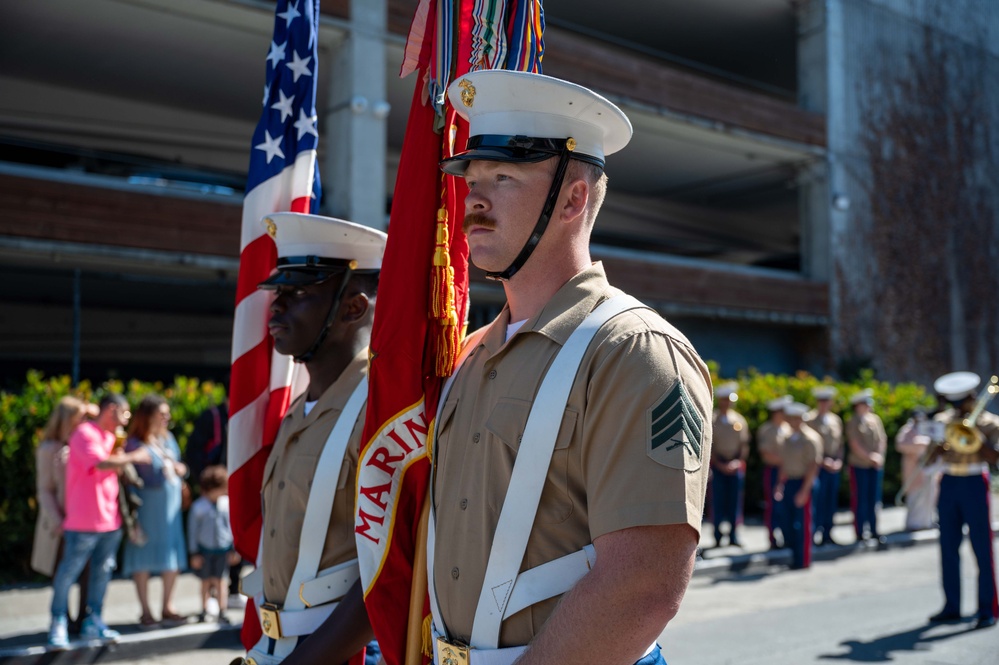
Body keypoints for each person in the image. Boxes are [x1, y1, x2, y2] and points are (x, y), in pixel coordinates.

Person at [428, 70, 713, 665]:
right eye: (472, 179)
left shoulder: (635, 351)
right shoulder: (475, 353)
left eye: (503, 177)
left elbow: (644, 588)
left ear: (574, 198)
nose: (474, 200)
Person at [234, 212, 385, 665]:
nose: (276, 307)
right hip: (274, 648)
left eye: (298, 293)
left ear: (353, 308)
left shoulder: (379, 413)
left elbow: (387, 572)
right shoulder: (297, 410)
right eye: (277, 292)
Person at [47, 394, 142, 648]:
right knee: (68, 573)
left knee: (102, 573)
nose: (127, 419)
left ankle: (93, 621)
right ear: (111, 410)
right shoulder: (83, 434)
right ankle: (58, 622)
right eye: (124, 412)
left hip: (110, 521)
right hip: (82, 521)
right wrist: (134, 456)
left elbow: (114, 469)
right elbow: (100, 463)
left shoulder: (111, 437)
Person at [926, 372, 999, 630]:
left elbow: (995, 458)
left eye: (962, 403)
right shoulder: (941, 422)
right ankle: (952, 606)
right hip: (948, 483)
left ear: (972, 398)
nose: (958, 409)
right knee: (948, 546)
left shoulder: (989, 422)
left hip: (974, 482)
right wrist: (937, 447)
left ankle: (987, 608)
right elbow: (927, 460)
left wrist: (975, 437)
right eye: (953, 404)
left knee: (982, 547)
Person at [120, 394, 188, 628]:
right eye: (162, 414)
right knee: (143, 558)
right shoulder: (135, 444)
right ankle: (146, 610)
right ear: (148, 416)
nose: (167, 418)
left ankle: (168, 606)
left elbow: (177, 465)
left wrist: (181, 469)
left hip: (170, 511)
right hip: (147, 508)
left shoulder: (168, 439)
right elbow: (134, 478)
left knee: (172, 556)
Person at [33, 396, 96, 634]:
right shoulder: (49, 449)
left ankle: (84, 618)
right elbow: (45, 490)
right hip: (61, 523)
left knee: (87, 573)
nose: (84, 422)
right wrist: (59, 520)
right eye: (80, 417)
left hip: (85, 520)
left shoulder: (81, 444)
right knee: (64, 573)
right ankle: (62, 619)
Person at [774, 402, 823, 570]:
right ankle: (794, 556)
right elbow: (784, 464)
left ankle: (803, 560)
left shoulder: (810, 438)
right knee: (788, 522)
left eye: (797, 419)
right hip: (790, 481)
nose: (794, 422)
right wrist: (780, 485)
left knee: (803, 523)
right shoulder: (787, 438)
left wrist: (804, 491)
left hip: (804, 482)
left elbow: (813, 467)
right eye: (791, 419)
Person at [188, 465, 239, 624]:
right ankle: (204, 609)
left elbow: (232, 527)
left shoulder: (226, 504)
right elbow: (192, 531)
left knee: (221, 580)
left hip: (223, 549)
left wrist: (234, 548)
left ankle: (222, 610)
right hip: (205, 550)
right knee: (205, 580)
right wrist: (194, 552)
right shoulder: (199, 507)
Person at [710, 382, 750, 547]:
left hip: (734, 466)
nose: (727, 403)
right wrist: (719, 464)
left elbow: (744, 444)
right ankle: (717, 536)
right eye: (724, 399)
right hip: (718, 466)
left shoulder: (739, 420)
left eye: (729, 400)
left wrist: (738, 462)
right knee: (717, 502)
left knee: (735, 502)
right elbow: (709, 444)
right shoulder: (713, 419)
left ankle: (733, 535)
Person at [804, 386, 844, 546]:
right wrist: (822, 461)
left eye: (826, 401)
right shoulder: (810, 419)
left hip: (833, 466)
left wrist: (839, 461)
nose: (824, 404)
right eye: (821, 400)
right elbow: (809, 446)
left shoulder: (835, 420)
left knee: (830, 501)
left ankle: (828, 533)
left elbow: (840, 444)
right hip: (818, 466)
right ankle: (813, 534)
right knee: (817, 501)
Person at [846, 388, 887, 542]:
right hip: (860, 465)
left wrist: (879, 456)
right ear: (857, 405)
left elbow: (882, 439)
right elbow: (855, 444)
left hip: (874, 465)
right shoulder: (853, 421)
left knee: (874, 499)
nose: (867, 406)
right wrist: (871, 457)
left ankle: (874, 529)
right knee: (860, 499)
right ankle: (860, 531)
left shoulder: (875, 419)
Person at [894, 407, 939, 531]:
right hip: (914, 468)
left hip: (928, 468)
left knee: (929, 495)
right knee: (915, 497)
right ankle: (914, 524)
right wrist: (918, 444)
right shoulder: (907, 430)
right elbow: (900, 445)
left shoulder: (927, 429)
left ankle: (927, 522)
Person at [756, 395, 791, 549]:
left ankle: (785, 534)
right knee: (773, 505)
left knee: (785, 506)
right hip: (774, 470)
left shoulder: (788, 428)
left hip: (788, 470)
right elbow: (765, 453)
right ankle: (772, 538)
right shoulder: (767, 429)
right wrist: (785, 461)